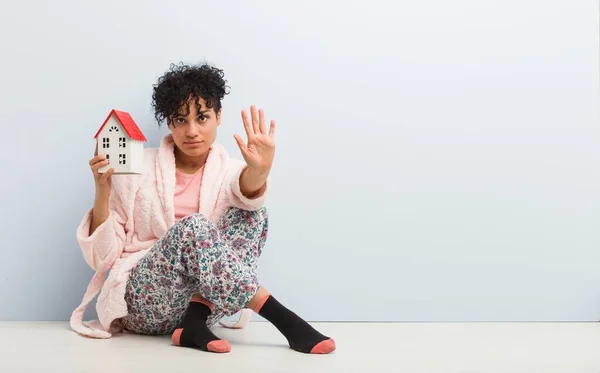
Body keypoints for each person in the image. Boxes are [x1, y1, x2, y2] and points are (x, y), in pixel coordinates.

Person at [70, 62, 336, 354]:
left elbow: (245, 190)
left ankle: (194, 322)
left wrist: (260, 171)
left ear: (219, 116)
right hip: (144, 300)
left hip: (204, 305)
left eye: (202, 117)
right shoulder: (137, 170)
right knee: (193, 227)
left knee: (253, 213)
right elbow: (102, 258)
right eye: (180, 120)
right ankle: (284, 319)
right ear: (169, 123)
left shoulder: (230, 172)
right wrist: (103, 189)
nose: (192, 131)